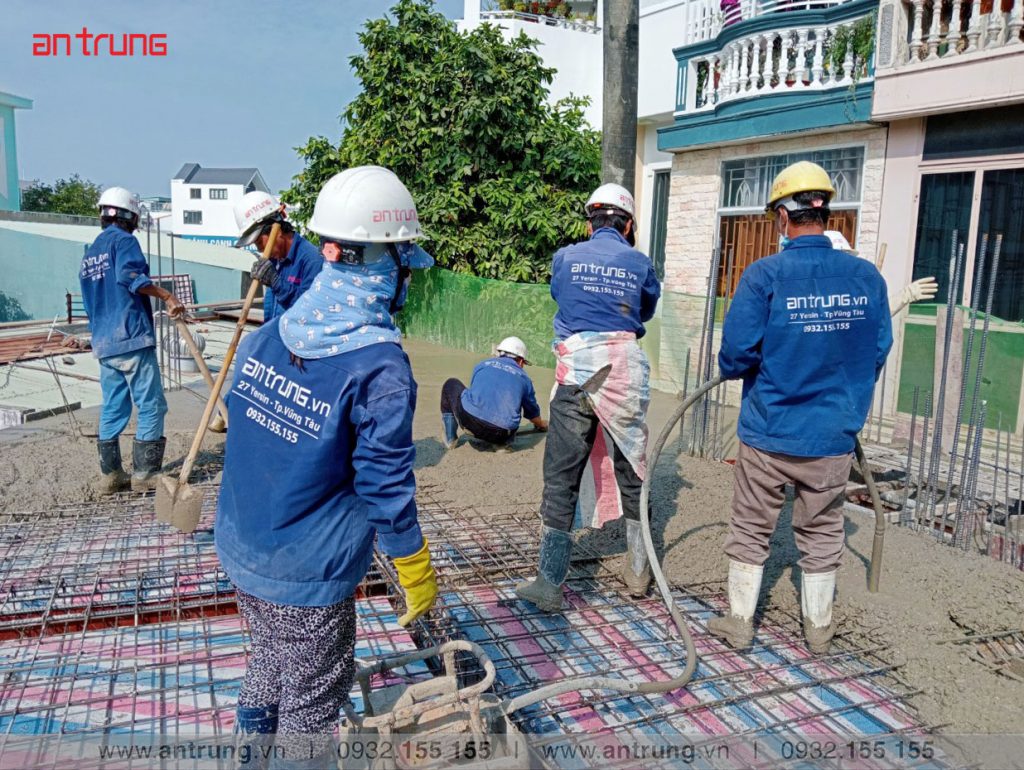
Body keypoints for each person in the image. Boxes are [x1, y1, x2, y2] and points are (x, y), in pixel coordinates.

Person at [214, 166, 438, 769]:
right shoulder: (380, 369)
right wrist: (413, 564)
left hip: (241, 548)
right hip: (306, 573)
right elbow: (384, 483)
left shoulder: (272, 333)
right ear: (387, 265)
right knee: (311, 708)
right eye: (405, 265)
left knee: (269, 661)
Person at [708, 161, 893, 655]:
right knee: (823, 528)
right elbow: (877, 351)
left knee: (752, 525)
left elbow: (735, 356)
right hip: (831, 434)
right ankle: (818, 629)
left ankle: (740, 622)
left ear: (783, 217)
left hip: (769, 430)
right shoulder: (867, 277)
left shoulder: (764, 274)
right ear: (826, 213)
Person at [516, 183, 661, 612]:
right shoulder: (640, 263)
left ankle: (549, 584)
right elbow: (645, 309)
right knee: (632, 467)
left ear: (589, 223)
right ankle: (639, 573)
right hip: (624, 370)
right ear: (628, 226)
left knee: (561, 476)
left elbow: (560, 295)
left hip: (576, 372)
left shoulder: (566, 257)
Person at [80, 186, 184, 494]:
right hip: (131, 337)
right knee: (151, 404)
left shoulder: (90, 253)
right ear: (130, 216)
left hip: (105, 343)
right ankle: (145, 474)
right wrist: (166, 295)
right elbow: (131, 277)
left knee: (114, 405)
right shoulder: (125, 242)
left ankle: (111, 475)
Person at [209, 192, 323, 435]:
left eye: (259, 242)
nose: (259, 249)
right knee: (249, 372)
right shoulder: (275, 260)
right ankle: (227, 414)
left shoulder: (311, 259)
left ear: (275, 231)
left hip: (298, 350)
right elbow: (271, 313)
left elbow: (308, 311)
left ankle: (232, 418)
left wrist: (276, 282)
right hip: (275, 342)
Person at [440, 336, 547, 450]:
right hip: (503, 433)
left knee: (450, 384)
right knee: (517, 399)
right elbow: (532, 414)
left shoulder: (482, 365)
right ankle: (501, 445)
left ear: (499, 353)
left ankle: (450, 439)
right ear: (521, 361)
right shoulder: (525, 379)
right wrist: (541, 424)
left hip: (470, 421)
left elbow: (475, 391)